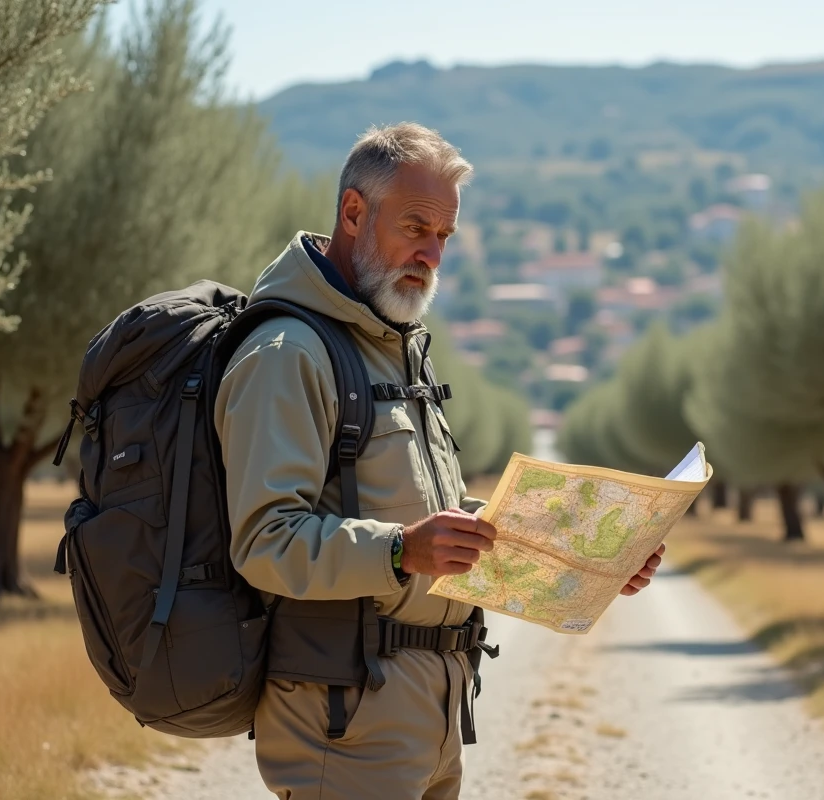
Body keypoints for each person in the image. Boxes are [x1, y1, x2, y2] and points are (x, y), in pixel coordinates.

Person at [213, 122, 665, 800]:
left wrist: (594, 555)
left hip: (433, 715)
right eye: (416, 227)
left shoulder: (394, 346)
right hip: (346, 723)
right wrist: (399, 552)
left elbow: (440, 532)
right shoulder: (288, 355)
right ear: (354, 213)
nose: (430, 254)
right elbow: (263, 541)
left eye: (444, 237)